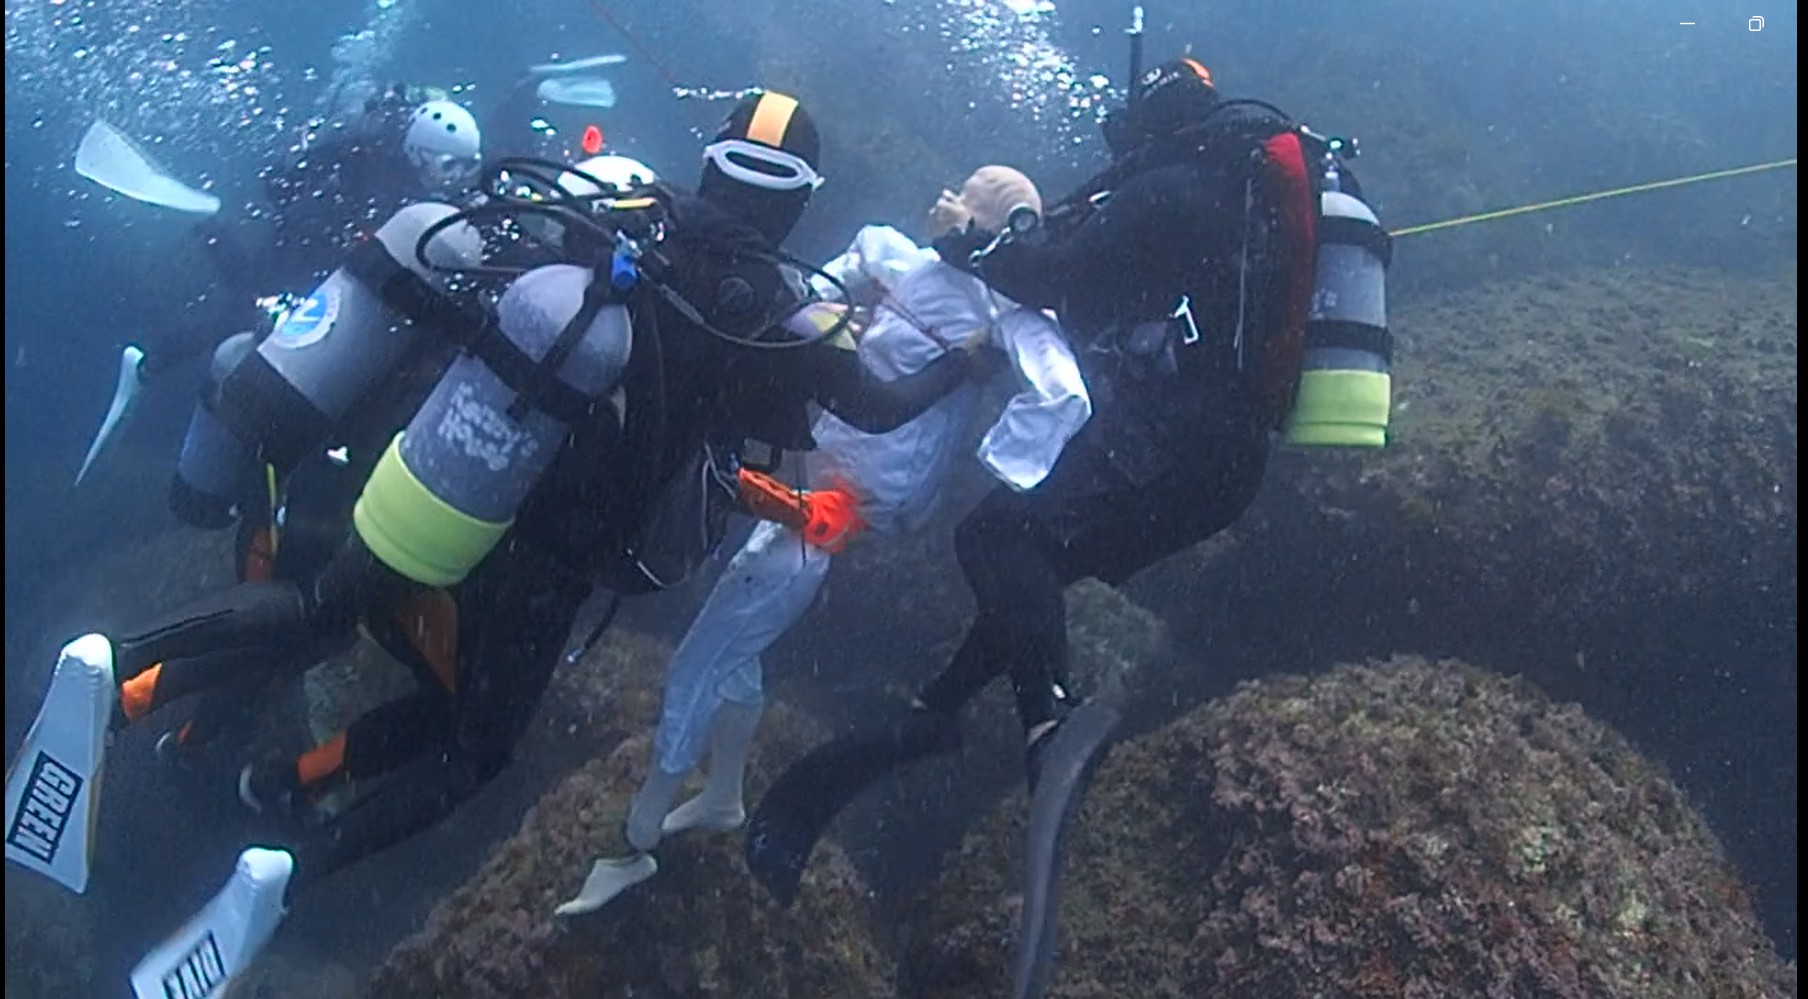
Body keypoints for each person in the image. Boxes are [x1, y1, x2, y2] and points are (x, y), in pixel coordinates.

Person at [8, 89, 995, 998]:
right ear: (803, 199)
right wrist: (966, 354)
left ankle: (121, 670)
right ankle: (288, 871)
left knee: (318, 614)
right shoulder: (793, 312)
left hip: (454, 479)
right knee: (473, 746)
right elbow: (876, 402)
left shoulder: (622, 212)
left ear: (711, 160)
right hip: (548, 564)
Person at [744, 58, 1395, 999]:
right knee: (1034, 561)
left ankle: (1046, 720)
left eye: (1124, 133)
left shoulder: (1175, 186)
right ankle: (940, 709)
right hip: (1223, 463)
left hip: (1181, 442)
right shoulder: (1233, 190)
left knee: (996, 539)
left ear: (1155, 125)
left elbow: (1057, 271)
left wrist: (967, 247)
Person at [553, 165, 1093, 915]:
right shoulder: (900, 259)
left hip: (843, 504)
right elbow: (815, 293)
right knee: (739, 636)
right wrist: (829, 307)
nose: (948, 202)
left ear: (991, 230)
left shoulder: (1006, 315)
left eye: (969, 201)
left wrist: (1006, 460)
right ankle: (723, 794)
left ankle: (635, 839)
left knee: (701, 658)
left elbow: (1063, 391)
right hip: (809, 470)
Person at [74, 86, 486, 486]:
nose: (459, 178)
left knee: (244, 297)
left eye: (469, 166)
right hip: (300, 256)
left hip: (313, 255)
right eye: (450, 166)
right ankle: (147, 363)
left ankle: (206, 223)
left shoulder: (401, 173)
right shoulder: (380, 171)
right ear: (419, 152)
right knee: (239, 318)